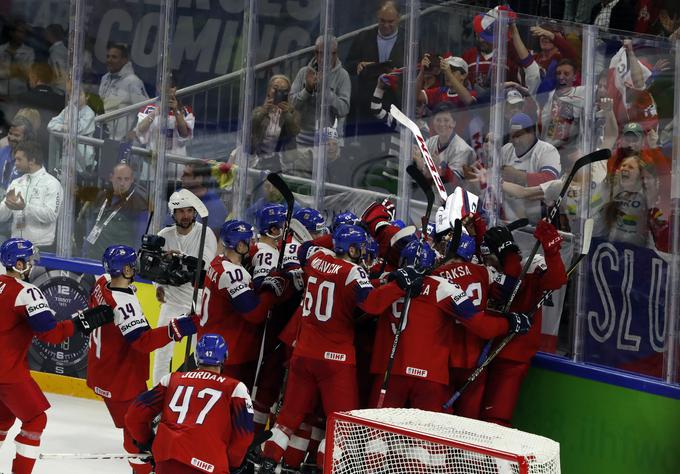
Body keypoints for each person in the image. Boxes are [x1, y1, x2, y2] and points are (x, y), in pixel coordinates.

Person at [259, 224, 416, 472]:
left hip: (304, 353)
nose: (362, 252)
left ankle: (267, 464)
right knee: (340, 424)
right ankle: (326, 469)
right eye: (359, 247)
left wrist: (339, 236)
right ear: (351, 248)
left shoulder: (317, 259)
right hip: (335, 360)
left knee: (287, 420)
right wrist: (398, 286)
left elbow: (307, 249)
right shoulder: (353, 272)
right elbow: (372, 304)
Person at [0, 237, 112, 473]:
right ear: (18, 264)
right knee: (35, 419)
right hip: (7, 372)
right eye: (28, 259)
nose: (32, 262)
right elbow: (49, 334)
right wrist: (80, 323)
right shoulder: (26, 292)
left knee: (3, 419)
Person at [87, 245, 199, 474]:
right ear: (125, 269)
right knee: (137, 432)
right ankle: (142, 469)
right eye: (131, 265)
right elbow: (143, 342)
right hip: (121, 380)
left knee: (136, 426)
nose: (135, 268)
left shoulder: (101, 284)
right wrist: (175, 328)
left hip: (103, 370)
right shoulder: (124, 303)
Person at [126, 333, 255, 474]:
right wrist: (233, 464)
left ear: (196, 357)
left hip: (167, 461)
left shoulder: (171, 380)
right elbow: (244, 436)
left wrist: (148, 442)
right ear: (224, 358)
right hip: (209, 466)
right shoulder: (236, 388)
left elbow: (134, 415)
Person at [198, 220, 284, 389]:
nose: (252, 244)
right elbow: (255, 314)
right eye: (248, 241)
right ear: (240, 244)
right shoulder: (232, 273)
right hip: (231, 353)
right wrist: (271, 291)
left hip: (211, 345)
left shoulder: (217, 262)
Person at [152, 189, 218, 385]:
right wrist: (158, 285)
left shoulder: (205, 233)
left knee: (202, 354)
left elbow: (203, 265)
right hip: (171, 302)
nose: (185, 215)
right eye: (181, 211)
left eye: (189, 210)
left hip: (198, 303)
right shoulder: (164, 235)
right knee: (162, 353)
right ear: (173, 213)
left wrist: (178, 258)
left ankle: (197, 392)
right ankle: (158, 394)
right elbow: (155, 268)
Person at [288, 35, 350, 176]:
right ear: (315, 53)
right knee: (302, 180)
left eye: (328, 54)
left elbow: (344, 109)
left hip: (328, 141)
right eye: (320, 53)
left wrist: (325, 91)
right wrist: (307, 90)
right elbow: (291, 105)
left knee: (325, 181)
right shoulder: (304, 73)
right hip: (302, 139)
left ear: (336, 54)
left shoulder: (343, 76)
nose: (323, 58)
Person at [500, 113, 562, 223]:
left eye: (519, 135)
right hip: (508, 218)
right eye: (512, 136)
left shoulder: (546, 150)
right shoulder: (506, 150)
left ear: (532, 133)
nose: (515, 140)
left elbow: (550, 181)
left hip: (536, 221)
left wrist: (517, 175)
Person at [0, 141, 62, 250]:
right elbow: (3, 216)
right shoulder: (16, 182)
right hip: (16, 244)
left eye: (19, 159)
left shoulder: (52, 184)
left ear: (32, 160)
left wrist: (25, 207)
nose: (15, 163)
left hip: (41, 247)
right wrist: (7, 205)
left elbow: (51, 215)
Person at [81, 162, 149, 259]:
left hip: (117, 262)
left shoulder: (138, 204)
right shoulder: (101, 196)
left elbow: (139, 239)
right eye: (119, 178)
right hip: (94, 257)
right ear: (111, 177)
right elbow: (90, 226)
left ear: (132, 180)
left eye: (126, 179)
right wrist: (85, 252)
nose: (122, 183)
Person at [134, 75, 195, 179]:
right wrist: (156, 112)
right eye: (164, 86)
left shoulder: (185, 111)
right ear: (158, 87)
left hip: (176, 166)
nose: (167, 89)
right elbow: (140, 130)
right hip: (153, 166)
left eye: (171, 86)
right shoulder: (148, 108)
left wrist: (176, 111)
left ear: (176, 89)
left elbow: (184, 133)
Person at [98, 43, 149, 140]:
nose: (109, 60)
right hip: (103, 135)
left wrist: (136, 131)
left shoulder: (133, 82)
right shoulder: (105, 78)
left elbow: (148, 109)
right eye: (108, 56)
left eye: (114, 57)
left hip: (122, 140)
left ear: (124, 60)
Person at [250, 74, 300, 172]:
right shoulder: (258, 111)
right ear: (269, 89)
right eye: (275, 88)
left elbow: (294, 132)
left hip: (282, 163)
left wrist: (286, 114)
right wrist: (263, 111)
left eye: (283, 90)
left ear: (288, 94)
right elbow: (250, 128)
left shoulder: (293, 113)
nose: (278, 93)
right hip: (257, 161)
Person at [47, 86, 97, 172]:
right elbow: (51, 124)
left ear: (87, 97)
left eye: (79, 95)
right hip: (68, 156)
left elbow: (77, 130)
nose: (76, 98)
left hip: (84, 157)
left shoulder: (89, 113)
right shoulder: (67, 110)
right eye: (73, 95)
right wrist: (62, 127)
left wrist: (68, 124)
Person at [177, 160, 228, 235]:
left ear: (199, 179)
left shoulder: (214, 206)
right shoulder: (180, 196)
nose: (181, 178)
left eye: (186, 175)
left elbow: (213, 240)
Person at [0, 19, 35, 97]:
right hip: (1, 93)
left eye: (24, 33)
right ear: (12, 33)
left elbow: (27, 72)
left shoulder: (29, 52)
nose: (22, 35)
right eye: (19, 31)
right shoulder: (1, 49)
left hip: (19, 94)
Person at [44, 24, 68, 94]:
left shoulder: (56, 53)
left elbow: (60, 74)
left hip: (61, 91)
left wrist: (59, 92)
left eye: (46, 34)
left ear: (49, 35)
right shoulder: (63, 48)